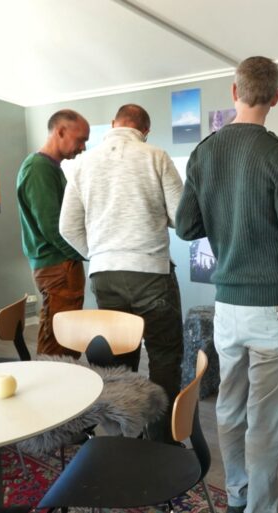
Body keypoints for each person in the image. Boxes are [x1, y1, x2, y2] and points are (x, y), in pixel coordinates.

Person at [175, 56, 278, 513]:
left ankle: (236, 497)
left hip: (228, 308)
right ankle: (260, 507)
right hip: (275, 308)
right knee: (266, 421)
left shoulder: (204, 151)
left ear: (233, 93)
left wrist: (225, 216)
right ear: (275, 97)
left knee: (230, 409)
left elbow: (185, 227)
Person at [59, 104, 184, 442]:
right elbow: (181, 218)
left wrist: (97, 253)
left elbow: (66, 226)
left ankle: (126, 433)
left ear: (114, 124)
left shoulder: (84, 163)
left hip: (105, 275)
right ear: (146, 130)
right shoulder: (155, 156)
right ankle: (162, 439)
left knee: (119, 357)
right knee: (164, 354)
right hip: (150, 273)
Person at [16, 109, 89, 357]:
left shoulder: (49, 167)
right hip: (58, 267)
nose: (83, 147)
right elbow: (53, 228)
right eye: (81, 139)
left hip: (59, 265)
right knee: (58, 341)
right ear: (60, 131)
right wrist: (85, 254)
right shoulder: (39, 168)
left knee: (65, 337)